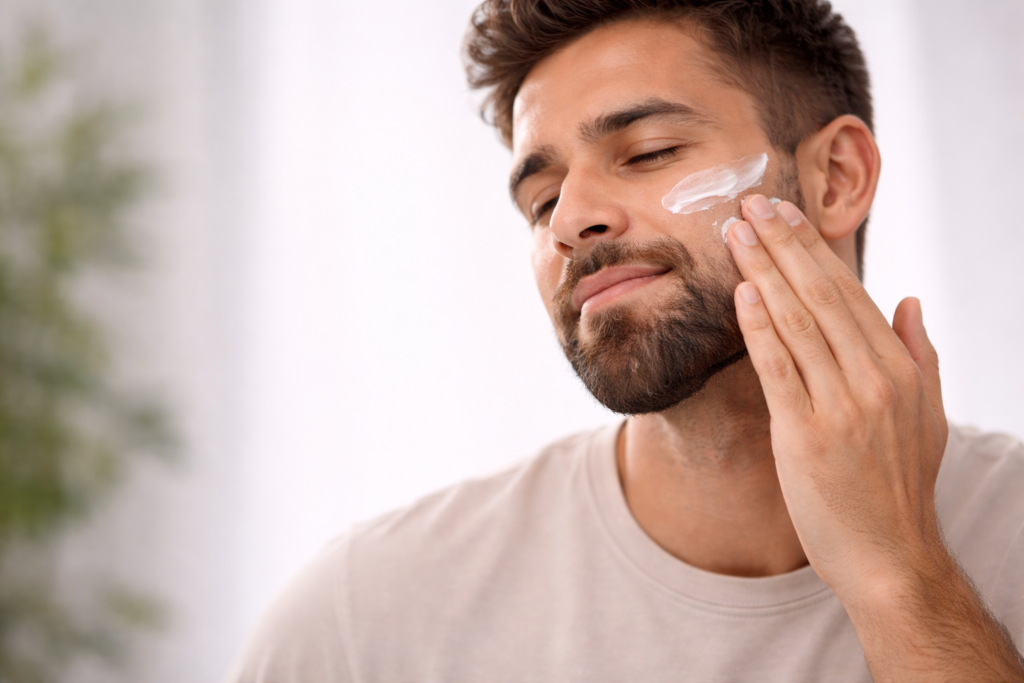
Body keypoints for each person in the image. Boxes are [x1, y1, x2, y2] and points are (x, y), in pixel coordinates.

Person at [226, 1, 1024, 681]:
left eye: (648, 154)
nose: (571, 221)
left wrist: (901, 577)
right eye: (541, 201)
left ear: (835, 177)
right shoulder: (364, 623)